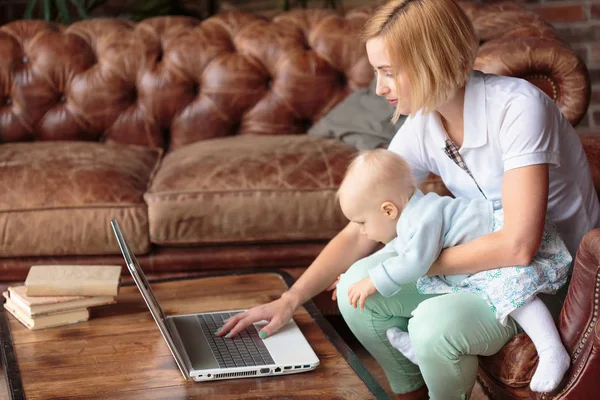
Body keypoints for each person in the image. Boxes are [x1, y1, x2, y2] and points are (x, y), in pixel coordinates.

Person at [217, 0, 600, 398]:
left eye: (388, 73)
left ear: (432, 61)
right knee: (356, 294)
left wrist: (411, 264)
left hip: (550, 274)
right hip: (485, 264)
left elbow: (520, 247)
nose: (380, 88)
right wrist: (291, 298)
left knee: (432, 326)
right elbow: (358, 230)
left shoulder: (519, 108)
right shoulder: (424, 124)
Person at [338, 148, 571, 392]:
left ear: (388, 210)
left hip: (502, 250)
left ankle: (551, 348)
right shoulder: (411, 217)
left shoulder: (422, 218)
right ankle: (420, 349)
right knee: (464, 284)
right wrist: (365, 273)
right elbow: (397, 249)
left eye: (361, 223)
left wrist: (374, 279)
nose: (362, 232)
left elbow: (415, 261)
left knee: (514, 293)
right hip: (481, 260)